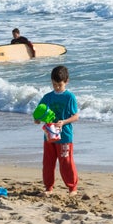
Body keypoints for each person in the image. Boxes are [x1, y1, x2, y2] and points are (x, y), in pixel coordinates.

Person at [37, 66, 79, 194]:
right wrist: (37, 119)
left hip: (65, 135)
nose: (56, 87)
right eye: (54, 84)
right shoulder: (47, 97)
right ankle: (48, 187)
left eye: (59, 85)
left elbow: (75, 116)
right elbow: (39, 113)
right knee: (48, 162)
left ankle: (72, 187)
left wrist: (64, 122)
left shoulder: (69, 97)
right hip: (49, 134)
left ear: (66, 81)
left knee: (66, 162)